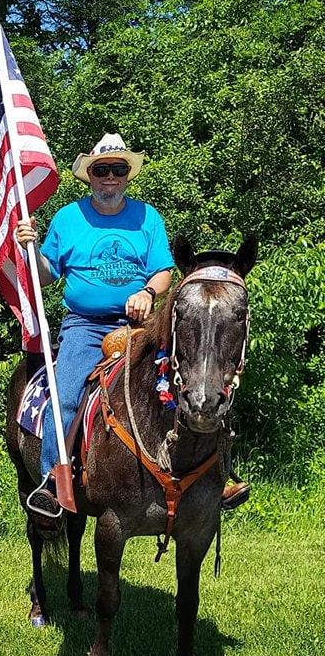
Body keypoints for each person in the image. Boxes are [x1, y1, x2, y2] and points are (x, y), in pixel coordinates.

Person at [16, 132, 249, 517]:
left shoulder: (146, 217)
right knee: (67, 393)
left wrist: (147, 292)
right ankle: (50, 482)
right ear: (90, 175)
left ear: (128, 175)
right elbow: (44, 277)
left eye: (118, 169)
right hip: (85, 326)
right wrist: (30, 249)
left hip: (143, 325)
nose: (110, 176)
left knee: (198, 375)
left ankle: (217, 473)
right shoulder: (68, 218)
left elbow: (162, 272)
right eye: (102, 169)